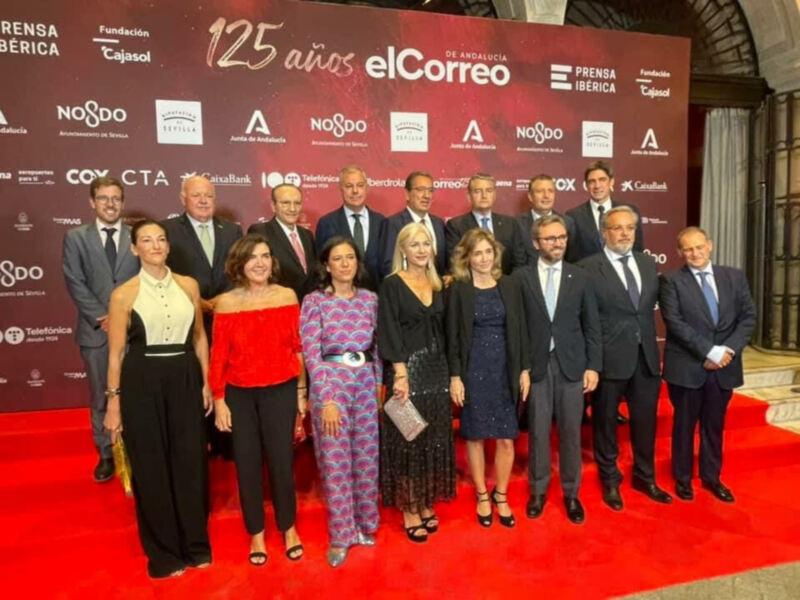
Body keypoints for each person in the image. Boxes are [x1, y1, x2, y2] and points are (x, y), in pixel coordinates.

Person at [103, 219, 212, 578]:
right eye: (146, 240)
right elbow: (117, 352)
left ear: (168, 245)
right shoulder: (123, 294)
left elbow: (198, 337)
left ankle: (196, 546)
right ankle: (164, 554)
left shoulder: (189, 285)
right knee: (151, 466)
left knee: (190, 460)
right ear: (134, 248)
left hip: (184, 376)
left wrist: (206, 383)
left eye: (161, 239)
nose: (155, 245)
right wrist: (114, 402)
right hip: (141, 380)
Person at [209, 234, 305, 565]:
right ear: (240, 264)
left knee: (282, 462)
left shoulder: (287, 296)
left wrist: (301, 392)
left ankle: (288, 527)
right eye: (252, 258)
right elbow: (218, 354)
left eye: (265, 256)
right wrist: (219, 399)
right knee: (247, 465)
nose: (260, 263)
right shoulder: (226, 302)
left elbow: (298, 347)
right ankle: (256, 534)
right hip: (239, 394)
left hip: (281, 389)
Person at [578, 206, 672, 510]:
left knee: (645, 424)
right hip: (608, 360)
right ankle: (610, 481)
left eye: (630, 228)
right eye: (617, 228)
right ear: (605, 233)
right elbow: (585, 319)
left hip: (645, 357)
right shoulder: (588, 267)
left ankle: (645, 478)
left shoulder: (647, 262)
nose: (624, 234)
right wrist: (591, 362)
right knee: (605, 424)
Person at [300, 236, 381, 568]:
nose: (345, 264)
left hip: (365, 383)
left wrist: (378, 385)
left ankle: (365, 525)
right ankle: (341, 535)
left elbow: (378, 346)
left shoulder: (371, 300)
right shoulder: (315, 301)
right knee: (336, 464)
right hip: (331, 387)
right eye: (338, 258)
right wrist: (327, 397)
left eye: (350, 257)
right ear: (326, 265)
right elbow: (311, 353)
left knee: (366, 458)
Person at [513, 215, 601, 524]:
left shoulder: (580, 277)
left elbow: (592, 326)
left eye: (561, 237)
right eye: (551, 238)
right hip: (537, 366)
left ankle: (571, 493)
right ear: (536, 243)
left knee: (570, 432)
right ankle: (537, 491)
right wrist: (521, 366)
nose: (558, 243)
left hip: (572, 365)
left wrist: (593, 366)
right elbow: (518, 328)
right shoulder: (520, 278)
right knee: (537, 431)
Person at [659, 227, 756, 503]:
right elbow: (675, 323)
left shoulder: (733, 277)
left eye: (699, 247)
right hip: (688, 368)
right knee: (684, 426)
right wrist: (709, 351)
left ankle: (712, 478)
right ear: (680, 253)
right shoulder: (671, 281)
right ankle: (683, 479)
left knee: (714, 426)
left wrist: (726, 351)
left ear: (709, 246)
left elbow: (748, 317)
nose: (695, 253)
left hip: (724, 367)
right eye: (688, 249)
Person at [446, 229, 529, 528]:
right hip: (473, 370)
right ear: (467, 257)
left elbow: (520, 331)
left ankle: (501, 494)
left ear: (495, 254)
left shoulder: (510, 285)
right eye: (477, 253)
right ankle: (482, 494)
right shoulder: (459, 289)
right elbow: (453, 337)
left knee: (507, 437)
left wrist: (524, 369)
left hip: (505, 369)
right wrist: (455, 376)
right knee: (476, 435)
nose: (483, 258)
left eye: (488, 252)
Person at [378, 222, 455, 543]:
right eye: (415, 244)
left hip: (436, 370)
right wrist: (399, 372)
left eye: (426, 244)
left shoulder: (440, 284)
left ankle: (425, 502)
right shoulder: (393, 284)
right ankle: (410, 508)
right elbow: (388, 330)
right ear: (403, 250)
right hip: (406, 372)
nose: (422, 250)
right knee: (409, 439)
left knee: (432, 439)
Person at [62, 176, 139, 482]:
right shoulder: (76, 237)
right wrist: (104, 317)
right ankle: (106, 454)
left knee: (134, 394)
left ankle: (135, 450)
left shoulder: (137, 237)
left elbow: (145, 279)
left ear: (123, 201)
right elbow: (74, 281)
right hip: (96, 332)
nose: (111, 204)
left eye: (116, 198)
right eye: (104, 198)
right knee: (101, 397)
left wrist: (125, 318)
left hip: (134, 330)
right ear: (92, 202)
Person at [162, 175, 242, 458]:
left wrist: (224, 299)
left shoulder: (232, 230)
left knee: (227, 377)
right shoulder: (167, 230)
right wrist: (198, 301)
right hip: (188, 318)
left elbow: (240, 268)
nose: (204, 200)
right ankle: (199, 443)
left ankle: (225, 440)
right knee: (196, 381)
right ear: (183, 199)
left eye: (209, 195)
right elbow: (164, 273)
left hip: (227, 314)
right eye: (197, 195)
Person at [315, 165, 385, 289]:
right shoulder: (327, 223)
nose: (355, 191)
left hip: (378, 296)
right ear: (341, 189)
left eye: (360, 185)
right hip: (339, 298)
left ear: (367, 188)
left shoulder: (382, 222)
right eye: (349, 186)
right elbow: (320, 265)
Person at [445, 173, 528, 275]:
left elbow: (519, 263)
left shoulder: (510, 224)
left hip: (507, 286)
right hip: (471, 286)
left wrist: (508, 285)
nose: (484, 196)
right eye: (478, 191)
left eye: (489, 191)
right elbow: (456, 263)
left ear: (494, 195)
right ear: (469, 196)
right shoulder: (456, 226)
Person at [248, 183, 317, 301]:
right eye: (286, 203)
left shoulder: (307, 235)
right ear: (273, 206)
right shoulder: (260, 231)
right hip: (277, 305)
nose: (292, 209)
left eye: (297, 203)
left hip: (308, 309)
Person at [565, 161, 644, 263]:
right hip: (588, 275)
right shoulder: (573, 216)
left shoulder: (628, 211)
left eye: (602, 180)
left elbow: (637, 250)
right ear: (586, 185)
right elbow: (571, 257)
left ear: (611, 182)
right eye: (592, 181)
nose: (597, 186)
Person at [379, 171, 447, 278]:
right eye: (420, 190)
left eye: (430, 191)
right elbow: (388, 265)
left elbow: (444, 263)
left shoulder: (438, 223)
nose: (426, 196)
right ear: (407, 194)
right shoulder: (393, 223)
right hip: (406, 289)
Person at [516, 174, 576, 263]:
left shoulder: (567, 222)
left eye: (550, 191)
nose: (546, 196)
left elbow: (572, 259)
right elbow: (517, 261)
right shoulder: (517, 224)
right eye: (540, 191)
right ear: (530, 196)